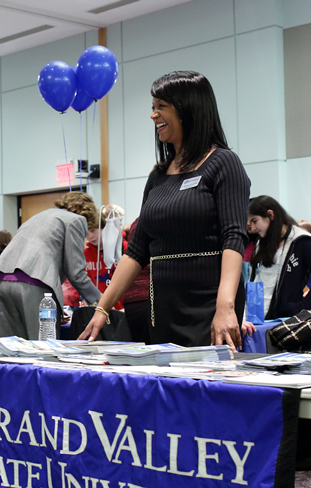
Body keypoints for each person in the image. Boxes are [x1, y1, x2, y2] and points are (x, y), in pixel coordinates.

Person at [79, 71, 250, 348]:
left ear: (189, 109)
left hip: (210, 304)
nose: (153, 115)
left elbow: (234, 237)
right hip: (162, 309)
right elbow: (136, 250)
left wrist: (225, 306)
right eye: (152, 107)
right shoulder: (158, 175)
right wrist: (103, 308)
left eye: (161, 107)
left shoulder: (224, 163)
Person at [0, 192, 101, 340]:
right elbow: (76, 273)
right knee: (43, 347)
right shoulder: (76, 220)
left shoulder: (37, 217)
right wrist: (101, 301)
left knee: (12, 348)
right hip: (33, 283)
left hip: (1, 279)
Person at [241, 196, 311, 333]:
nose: (252, 227)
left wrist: (302, 308)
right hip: (257, 321)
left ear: (270, 215)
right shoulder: (261, 241)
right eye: (249, 223)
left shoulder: (302, 241)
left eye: (254, 221)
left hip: (286, 323)